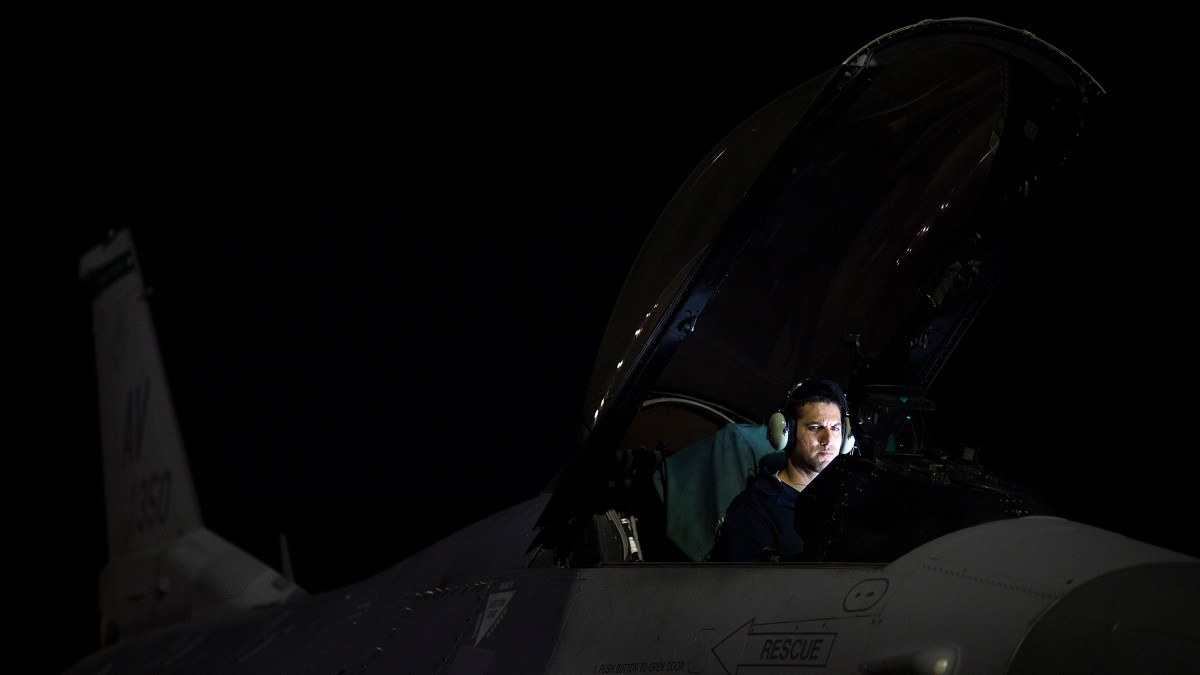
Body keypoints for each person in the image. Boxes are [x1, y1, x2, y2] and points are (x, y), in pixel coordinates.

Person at [715, 378, 850, 562]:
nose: (828, 439)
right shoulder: (752, 508)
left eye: (835, 428)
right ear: (786, 433)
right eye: (815, 427)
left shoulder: (850, 499)